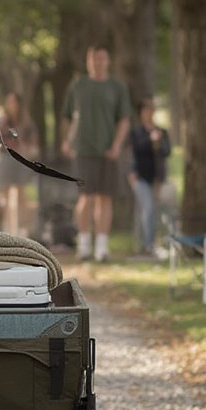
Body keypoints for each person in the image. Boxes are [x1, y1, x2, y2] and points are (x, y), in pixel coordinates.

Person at [60, 45, 132, 262]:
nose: (96, 63)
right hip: (83, 149)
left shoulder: (116, 87)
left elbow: (124, 119)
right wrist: (67, 140)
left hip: (108, 151)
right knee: (85, 197)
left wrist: (117, 145)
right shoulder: (79, 85)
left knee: (104, 198)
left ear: (107, 61)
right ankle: (84, 245)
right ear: (88, 61)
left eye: (100, 59)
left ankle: (102, 247)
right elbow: (70, 116)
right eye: (92, 59)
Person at [128, 98, 171, 257]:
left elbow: (167, 152)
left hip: (156, 178)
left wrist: (159, 141)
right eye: (146, 110)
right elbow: (135, 150)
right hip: (140, 176)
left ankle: (149, 244)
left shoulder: (162, 132)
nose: (149, 113)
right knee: (146, 210)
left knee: (152, 211)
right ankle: (147, 245)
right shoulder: (136, 132)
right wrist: (149, 140)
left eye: (151, 109)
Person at [0, 92, 38, 236]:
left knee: (21, 195)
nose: (13, 105)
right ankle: (7, 228)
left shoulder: (26, 123)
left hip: (20, 160)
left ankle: (21, 229)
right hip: (5, 159)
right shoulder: (2, 121)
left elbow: (32, 142)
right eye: (10, 102)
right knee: (5, 196)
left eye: (15, 102)